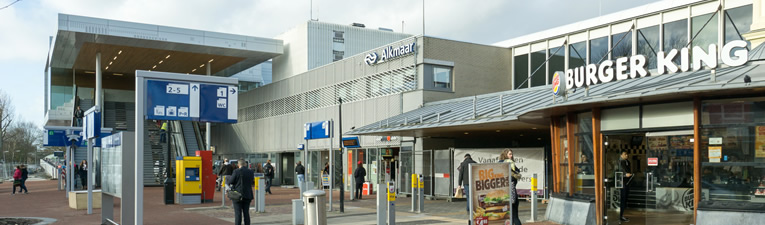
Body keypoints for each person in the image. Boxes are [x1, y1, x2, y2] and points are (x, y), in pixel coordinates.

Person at [227, 159, 254, 225]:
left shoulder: (236, 171)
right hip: (247, 194)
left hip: (237, 195)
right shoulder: (250, 172)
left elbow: (230, 182)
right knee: (246, 213)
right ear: (245, 164)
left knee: (238, 213)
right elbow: (252, 181)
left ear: (238, 165)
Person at [499, 149, 522, 225]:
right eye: (509, 154)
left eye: (511, 154)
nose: (511, 156)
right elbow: (516, 176)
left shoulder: (499, 165)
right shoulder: (511, 165)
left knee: (509, 218)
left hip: (503, 195)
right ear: (505, 155)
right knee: (514, 216)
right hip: (511, 195)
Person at [617, 151, 633, 222]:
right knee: (622, 199)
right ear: (621, 155)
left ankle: (621, 215)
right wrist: (624, 174)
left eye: (627, 154)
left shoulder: (627, 162)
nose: (626, 155)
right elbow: (618, 171)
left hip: (626, 182)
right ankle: (620, 216)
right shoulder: (619, 162)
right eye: (625, 154)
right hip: (621, 182)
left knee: (624, 199)